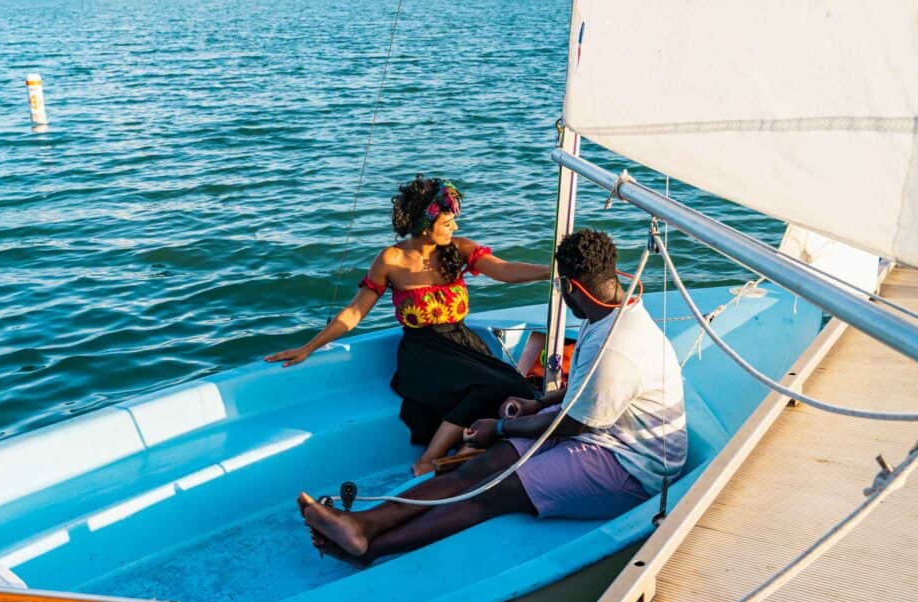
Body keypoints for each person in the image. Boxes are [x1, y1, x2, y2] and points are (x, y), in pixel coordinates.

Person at [298, 228, 688, 566]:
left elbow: (572, 424)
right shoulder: (603, 316)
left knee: (496, 490)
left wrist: (500, 425)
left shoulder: (619, 348)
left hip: (630, 466)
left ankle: (367, 550)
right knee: (487, 464)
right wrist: (536, 404)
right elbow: (582, 392)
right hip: (597, 433)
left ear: (569, 286)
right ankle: (363, 523)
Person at [266, 175, 550, 475]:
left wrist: (551, 271)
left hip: (464, 345)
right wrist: (308, 347)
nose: (455, 227)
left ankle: (469, 450)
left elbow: (505, 270)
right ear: (425, 225)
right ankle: (428, 460)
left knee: (518, 388)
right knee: (487, 388)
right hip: (423, 353)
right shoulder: (391, 259)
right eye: (447, 222)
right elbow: (353, 313)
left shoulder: (460, 249)